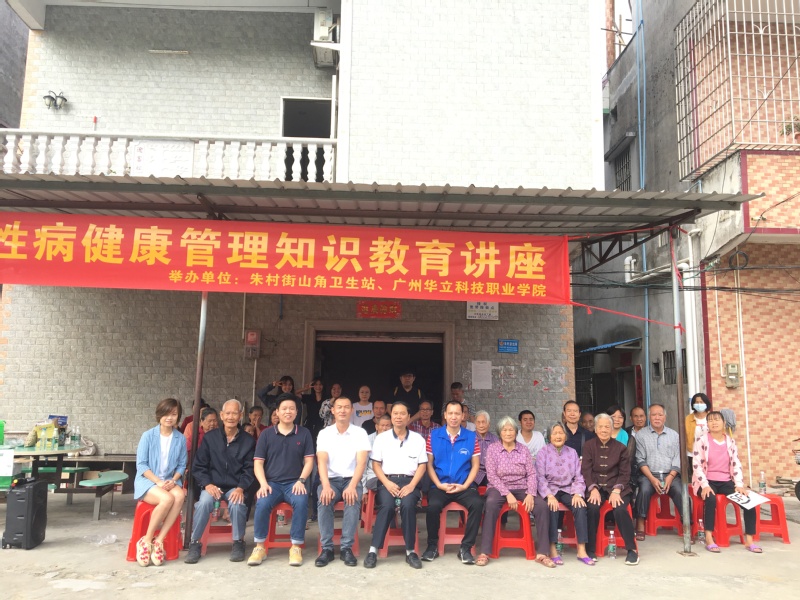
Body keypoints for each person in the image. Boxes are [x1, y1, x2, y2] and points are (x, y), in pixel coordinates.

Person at [185, 399, 256, 564]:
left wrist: (241, 488)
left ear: (241, 415)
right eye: (228, 413)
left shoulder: (248, 441)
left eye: (235, 413)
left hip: (234, 487)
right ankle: (195, 543)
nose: (231, 417)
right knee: (203, 503)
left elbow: (250, 469)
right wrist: (207, 484)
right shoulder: (210, 438)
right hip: (212, 485)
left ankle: (238, 542)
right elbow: (198, 466)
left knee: (237, 504)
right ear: (222, 416)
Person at [247, 395, 315, 567]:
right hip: (272, 484)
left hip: (294, 483)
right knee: (262, 502)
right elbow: (258, 463)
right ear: (277, 412)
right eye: (284, 408)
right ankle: (260, 546)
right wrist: (263, 484)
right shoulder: (266, 434)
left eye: (292, 408)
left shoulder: (304, 433)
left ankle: (295, 547)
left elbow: (309, 461)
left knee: (301, 502)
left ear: (297, 412)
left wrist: (301, 480)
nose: (288, 412)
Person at [478, 416, 552, 568]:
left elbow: (531, 473)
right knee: (491, 504)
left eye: (511, 430)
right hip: (499, 487)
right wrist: (507, 494)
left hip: (522, 486)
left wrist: (531, 494)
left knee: (542, 507)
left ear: (516, 432)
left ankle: (543, 552)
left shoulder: (523, 449)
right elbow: (491, 475)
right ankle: (485, 552)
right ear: (500, 432)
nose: (508, 433)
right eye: (504, 430)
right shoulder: (493, 449)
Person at [363, 401, 428, 570]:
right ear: (391, 417)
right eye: (395, 413)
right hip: (388, 481)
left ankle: (410, 551)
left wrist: (412, 486)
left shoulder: (418, 439)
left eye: (402, 413)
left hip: (410, 482)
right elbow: (376, 465)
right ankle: (373, 551)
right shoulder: (381, 438)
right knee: (386, 506)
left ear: (408, 417)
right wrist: (387, 483)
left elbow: (422, 465)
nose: (399, 417)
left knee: (408, 505)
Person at [422, 400, 485, 565]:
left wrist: (465, 485)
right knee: (433, 506)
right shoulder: (434, 436)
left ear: (463, 416)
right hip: (440, 485)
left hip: (464, 485)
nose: (453, 417)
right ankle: (432, 546)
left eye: (457, 413)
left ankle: (466, 547)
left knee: (477, 504)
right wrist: (438, 484)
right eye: (450, 413)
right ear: (445, 415)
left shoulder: (471, 437)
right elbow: (429, 464)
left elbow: (475, 465)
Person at [691, 411, 761, 553]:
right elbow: (696, 464)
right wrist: (705, 485)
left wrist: (739, 485)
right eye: (710, 420)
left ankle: (749, 540)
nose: (714, 423)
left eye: (717, 420)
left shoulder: (730, 442)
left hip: (726, 481)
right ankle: (709, 538)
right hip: (706, 480)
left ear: (723, 423)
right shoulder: (701, 440)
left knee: (748, 501)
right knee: (710, 499)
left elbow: (736, 464)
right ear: (707, 424)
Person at [315, 396, 371, 567]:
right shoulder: (324, 433)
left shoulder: (360, 433)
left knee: (352, 500)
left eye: (346, 407)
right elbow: (321, 461)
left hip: (351, 479)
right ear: (333, 410)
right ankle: (327, 549)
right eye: (339, 407)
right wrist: (325, 486)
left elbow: (361, 462)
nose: (343, 410)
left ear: (352, 410)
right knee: (324, 500)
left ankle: (347, 548)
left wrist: (353, 485)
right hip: (330, 480)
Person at [133, 398, 187, 567]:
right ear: (159, 415)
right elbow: (141, 465)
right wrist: (158, 481)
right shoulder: (148, 436)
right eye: (166, 414)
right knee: (167, 499)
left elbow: (182, 465)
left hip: (170, 480)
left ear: (178, 416)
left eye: (174, 414)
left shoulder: (180, 438)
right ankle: (146, 541)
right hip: (148, 481)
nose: (169, 418)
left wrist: (174, 479)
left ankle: (159, 541)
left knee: (180, 496)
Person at [582, 413, 639, 565]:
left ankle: (631, 549)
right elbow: (586, 470)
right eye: (600, 427)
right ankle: (590, 549)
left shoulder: (621, 448)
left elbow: (625, 473)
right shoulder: (588, 446)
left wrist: (617, 490)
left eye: (607, 427)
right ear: (595, 429)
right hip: (596, 487)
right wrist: (592, 488)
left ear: (612, 429)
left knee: (620, 509)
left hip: (617, 487)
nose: (604, 430)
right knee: (592, 507)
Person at [536, 422, 592, 565]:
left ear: (565, 436)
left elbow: (579, 476)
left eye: (561, 433)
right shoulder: (543, 452)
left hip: (568, 489)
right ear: (549, 437)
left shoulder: (572, 452)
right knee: (552, 507)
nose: (558, 436)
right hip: (551, 489)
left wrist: (578, 493)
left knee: (580, 506)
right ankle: (552, 548)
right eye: (555, 433)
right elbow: (540, 478)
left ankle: (581, 549)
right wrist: (549, 496)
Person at [634, 403, 685, 540]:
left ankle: (687, 525)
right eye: (654, 415)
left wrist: (671, 476)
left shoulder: (674, 435)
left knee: (681, 492)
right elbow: (640, 459)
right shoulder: (641, 435)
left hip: (670, 475)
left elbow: (678, 458)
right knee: (643, 490)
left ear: (665, 417)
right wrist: (652, 478)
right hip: (649, 475)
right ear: (649, 417)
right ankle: (640, 525)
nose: (657, 417)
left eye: (660, 415)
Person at [363, 415, 393, 491]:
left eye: (387, 426)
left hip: (391, 476)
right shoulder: (368, 440)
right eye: (382, 425)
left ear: (392, 428)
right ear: (376, 427)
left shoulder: (395, 440)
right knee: (389, 486)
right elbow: (363, 465)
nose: (384, 428)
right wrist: (364, 489)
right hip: (373, 477)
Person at [685, 392, 714, 458]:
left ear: (706, 403)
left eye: (701, 402)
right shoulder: (688, 419)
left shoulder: (712, 417)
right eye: (697, 402)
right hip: (693, 453)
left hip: (710, 452)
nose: (699, 404)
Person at [474, 410, 499, 487]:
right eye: (478, 422)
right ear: (475, 424)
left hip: (491, 474)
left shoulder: (495, 440)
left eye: (483, 422)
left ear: (489, 424)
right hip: (474, 474)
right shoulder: (470, 438)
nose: (481, 425)